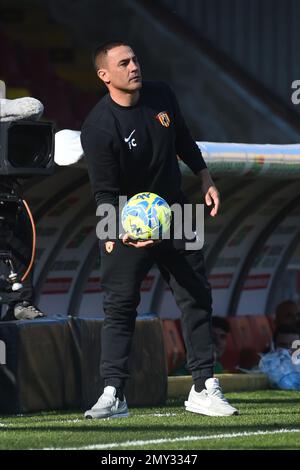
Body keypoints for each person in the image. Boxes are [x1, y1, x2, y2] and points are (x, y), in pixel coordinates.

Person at [80, 40, 238, 419]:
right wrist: (124, 232)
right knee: (119, 308)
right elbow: (103, 193)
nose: (134, 66)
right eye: (124, 62)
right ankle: (113, 393)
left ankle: (203, 386)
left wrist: (205, 178)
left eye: (135, 58)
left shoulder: (161, 94)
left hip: (178, 211)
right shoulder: (98, 127)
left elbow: (183, 137)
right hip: (121, 218)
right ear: (105, 75)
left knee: (197, 296)